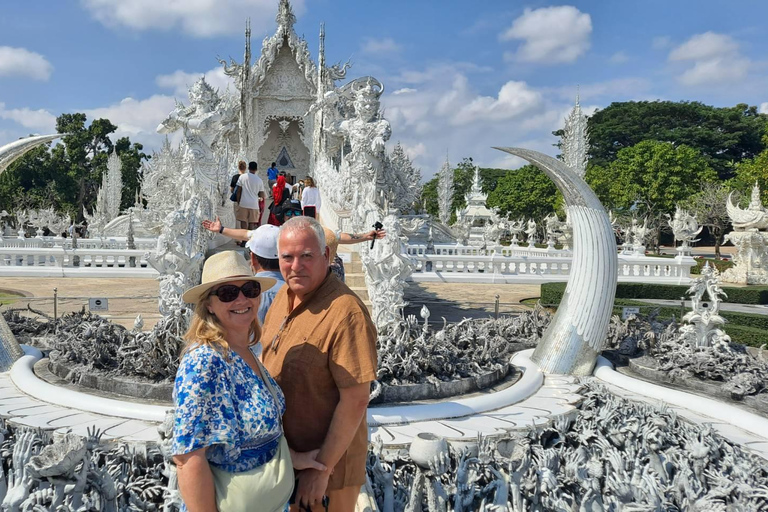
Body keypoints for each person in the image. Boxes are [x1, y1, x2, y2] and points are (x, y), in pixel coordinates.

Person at [172, 250, 326, 511]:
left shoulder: (246, 351)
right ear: (208, 304)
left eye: (249, 289)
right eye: (227, 293)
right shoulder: (205, 362)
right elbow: (188, 458)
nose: (242, 299)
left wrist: (294, 459)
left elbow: (260, 435)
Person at [261, 217, 378, 512]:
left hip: (327, 471)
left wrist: (322, 468)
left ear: (326, 256)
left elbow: (356, 399)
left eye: (307, 256)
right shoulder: (284, 296)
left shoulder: (345, 312)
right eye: (287, 257)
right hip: (290, 459)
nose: (296, 265)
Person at [237, 161, 266, 232]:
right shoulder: (259, 180)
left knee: (243, 221)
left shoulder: (242, 177)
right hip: (254, 204)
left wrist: (238, 202)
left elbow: (238, 191)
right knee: (252, 222)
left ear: (248, 168)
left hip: (243, 203)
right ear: (256, 169)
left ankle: (243, 239)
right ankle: (249, 238)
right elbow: (262, 194)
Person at [230, 160, 247, 229]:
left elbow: (232, 189)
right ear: (245, 168)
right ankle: (245, 235)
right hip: (246, 199)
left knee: (237, 218)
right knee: (245, 218)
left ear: (238, 167)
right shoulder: (247, 177)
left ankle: (238, 236)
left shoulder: (235, 177)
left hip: (237, 200)